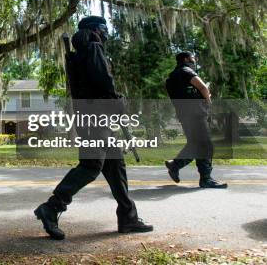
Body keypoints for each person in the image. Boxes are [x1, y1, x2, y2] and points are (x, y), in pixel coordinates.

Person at [34, 16, 153, 240]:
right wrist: (118, 100)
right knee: (91, 166)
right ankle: (51, 207)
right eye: (104, 29)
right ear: (96, 29)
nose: (106, 34)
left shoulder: (82, 50)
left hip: (95, 116)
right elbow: (104, 80)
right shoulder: (93, 46)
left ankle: (128, 216)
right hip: (95, 117)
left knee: (115, 165)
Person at [164, 52, 227, 188]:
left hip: (183, 114)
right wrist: (208, 100)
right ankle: (205, 179)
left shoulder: (171, 77)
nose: (195, 61)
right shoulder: (186, 71)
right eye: (193, 58)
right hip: (196, 114)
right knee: (205, 145)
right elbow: (203, 87)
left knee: (195, 144)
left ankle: (175, 165)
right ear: (186, 59)